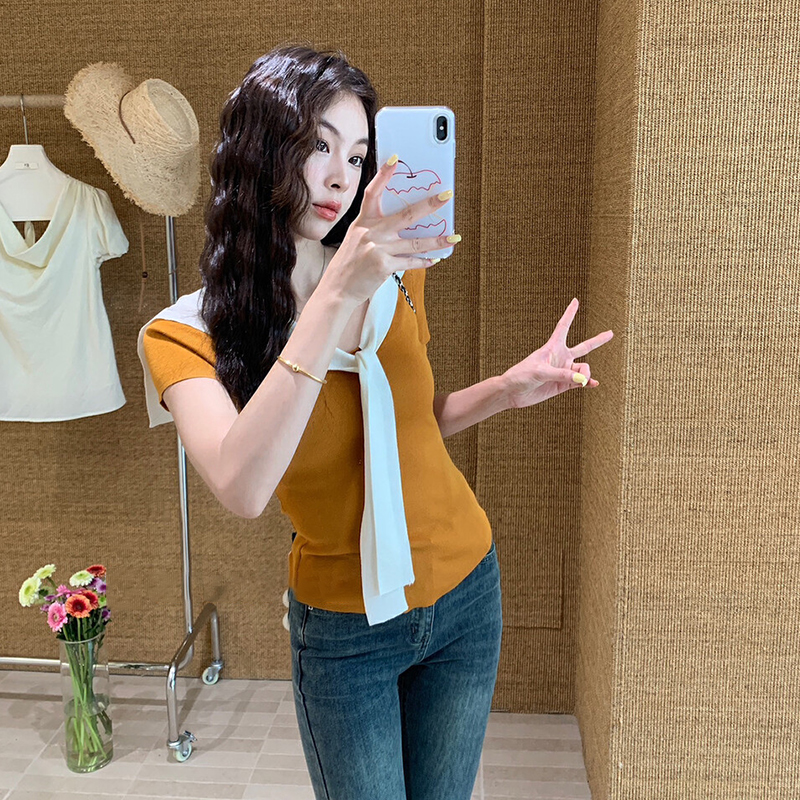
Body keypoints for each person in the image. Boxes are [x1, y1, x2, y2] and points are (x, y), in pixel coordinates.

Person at [139, 44, 613, 800]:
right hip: (344, 631)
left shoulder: (401, 271)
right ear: (259, 150)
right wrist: (335, 295)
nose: (341, 176)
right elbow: (241, 487)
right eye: (318, 145)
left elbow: (404, 428)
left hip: (467, 591)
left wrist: (506, 389)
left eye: (358, 156)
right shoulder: (185, 334)